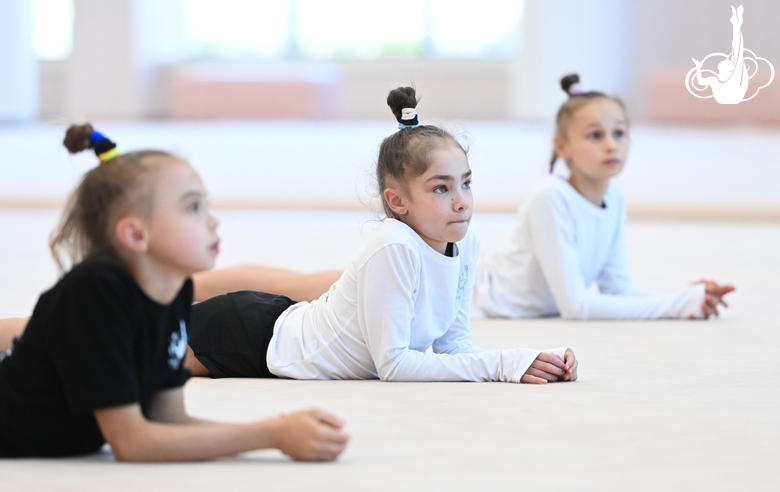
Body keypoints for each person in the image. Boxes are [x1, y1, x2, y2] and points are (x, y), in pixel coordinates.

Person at [0, 125, 349, 461]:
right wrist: (270, 435)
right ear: (136, 235)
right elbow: (132, 442)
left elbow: (168, 420)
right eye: (192, 208)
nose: (213, 221)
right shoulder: (96, 291)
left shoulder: (174, 291)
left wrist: (276, 433)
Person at [186, 87, 578, 385]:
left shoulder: (465, 243)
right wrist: (504, 365)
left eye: (466, 184)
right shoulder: (394, 246)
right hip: (252, 340)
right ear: (397, 200)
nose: (462, 202)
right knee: (134, 345)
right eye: (441, 188)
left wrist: (526, 363)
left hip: (276, 320)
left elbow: (453, 345)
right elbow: (394, 365)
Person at [472, 74, 735, 320]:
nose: (611, 145)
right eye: (596, 135)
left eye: (619, 133)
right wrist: (675, 305)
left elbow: (618, 289)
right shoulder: (551, 197)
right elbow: (576, 306)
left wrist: (686, 299)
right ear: (562, 147)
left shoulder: (615, 197)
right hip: (471, 295)